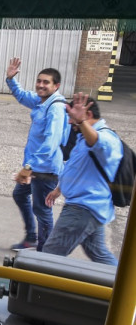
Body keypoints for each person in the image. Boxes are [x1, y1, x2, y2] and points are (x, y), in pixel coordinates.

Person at [43, 93, 121, 265]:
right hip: (89, 207)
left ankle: (41, 291)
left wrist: (81, 122)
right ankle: (121, 287)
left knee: (49, 255)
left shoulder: (107, 138)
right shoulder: (83, 137)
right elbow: (78, 167)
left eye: (72, 118)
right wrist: (60, 188)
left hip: (83, 208)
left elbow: (100, 145)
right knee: (100, 255)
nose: (70, 122)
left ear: (89, 115)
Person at [6, 57, 68, 251]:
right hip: (34, 167)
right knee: (20, 194)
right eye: (39, 81)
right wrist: (10, 79)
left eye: (46, 82)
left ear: (56, 85)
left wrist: (28, 168)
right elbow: (23, 96)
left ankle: (44, 251)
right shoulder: (43, 101)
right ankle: (32, 237)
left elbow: (51, 143)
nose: (41, 85)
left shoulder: (55, 107)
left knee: (42, 209)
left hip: (44, 169)